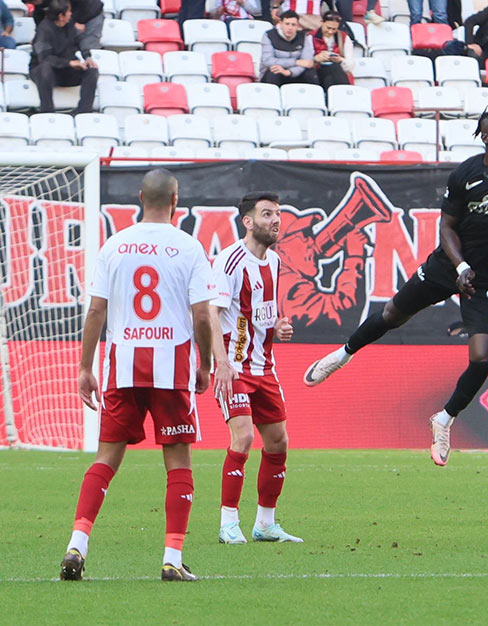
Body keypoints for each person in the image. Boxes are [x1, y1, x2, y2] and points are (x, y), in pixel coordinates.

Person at [303, 111, 488, 468]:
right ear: (484, 136)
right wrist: (460, 266)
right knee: (393, 313)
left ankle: (444, 419)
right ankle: (343, 354)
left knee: (482, 356)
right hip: (450, 265)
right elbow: (446, 226)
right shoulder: (465, 173)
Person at [59, 169, 215, 582]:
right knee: (178, 463)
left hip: (123, 365)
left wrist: (85, 367)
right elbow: (202, 315)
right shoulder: (189, 247)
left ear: (140, 198)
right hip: (172, 367)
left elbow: (96, 310)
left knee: (106, 459)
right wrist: (204, 364)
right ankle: (172, 558)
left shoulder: (114, 245)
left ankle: (77, 545)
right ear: (176, 199)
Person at [211, 192, 303, 545]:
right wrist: (220, 363)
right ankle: (228, 523)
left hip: (264, 367)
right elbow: (211, 314)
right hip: (233, 367)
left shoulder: (274, 261)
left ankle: (265, 523)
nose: (275, 220)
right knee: (244, 436)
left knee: (278, 441)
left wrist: (279, 326)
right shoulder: (229, 261)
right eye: (267, 214)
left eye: (277, 213)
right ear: (247, 222)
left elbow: (262, 312)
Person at [29, 0, 99, 114]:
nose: (71, 13)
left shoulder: (70, 25)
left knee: (92, 71)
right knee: (45, 68)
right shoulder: (43, 29)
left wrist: (87, 57)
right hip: (45, 71)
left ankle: (83, 111)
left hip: (65, 69)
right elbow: (44, 58)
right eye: (69, 11)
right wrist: (69, 63)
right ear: (61, 16)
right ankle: (47, 110)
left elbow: (81, 39)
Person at [260, 10, 319, 87]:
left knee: (310, 72)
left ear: (298, 26)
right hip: (276, 72)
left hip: (295, 72)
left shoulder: (302, 36)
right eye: (287, 24)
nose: (290, 28)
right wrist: (295, 62)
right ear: (280, 23)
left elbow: (308, 62)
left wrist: (290, 72)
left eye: (293, 25)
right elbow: (268, 60)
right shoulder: (269, 35)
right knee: (274, 71)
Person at [311, 11, 354, 91]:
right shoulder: (311, 37)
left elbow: (350, 65)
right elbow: (306, 61)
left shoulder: (344, 38)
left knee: (334, 68)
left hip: (339, 72)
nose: (330, 32)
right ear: (322, 22)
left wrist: (340, 60)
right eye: (328, 28)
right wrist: (316, 59)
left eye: (334, 29)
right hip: (318, 73)